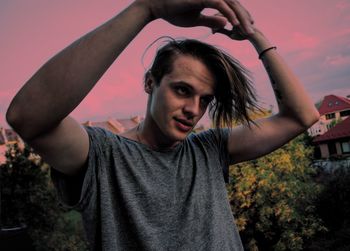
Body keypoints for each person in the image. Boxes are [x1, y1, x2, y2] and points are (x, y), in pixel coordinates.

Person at [6, 0, 320, 250]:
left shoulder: (209, 149)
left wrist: (253, 33)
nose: (193, 110)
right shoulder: (104, 156)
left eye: (205, 99)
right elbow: (27, 117)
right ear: (149, 82)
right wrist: (147, 8)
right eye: (182, 90)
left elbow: (301, 116)